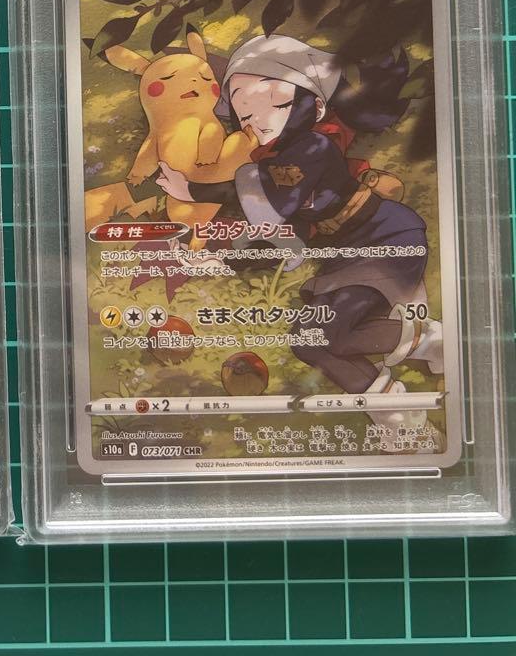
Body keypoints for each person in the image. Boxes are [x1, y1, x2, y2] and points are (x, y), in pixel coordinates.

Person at [154, 33, 441, 446]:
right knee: (310, 341)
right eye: (244, 109)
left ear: (316, 106)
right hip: (347, 254)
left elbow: (273, 201)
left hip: (385, 239)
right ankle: (407, 402)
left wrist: (195, 193)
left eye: (276, 103)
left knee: (320, 334)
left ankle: (418, 376)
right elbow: (286, 235)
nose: (258, 119)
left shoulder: (312, 148)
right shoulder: (275, 164)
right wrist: (222, 258)